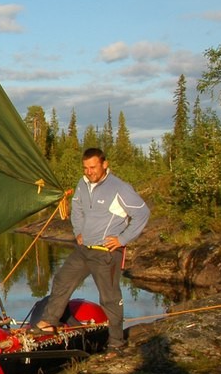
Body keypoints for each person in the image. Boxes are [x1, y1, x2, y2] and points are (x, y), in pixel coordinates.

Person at [36, 147, 149, 351]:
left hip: (106, 253)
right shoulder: (83, 183)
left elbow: (142, 213)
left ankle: (116, 344)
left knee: (110, 298)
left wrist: (122, 239)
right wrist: (78, 230)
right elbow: (77, 207)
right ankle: (49, 322)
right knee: (62, 279)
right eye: (86, 168)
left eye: (93, 167)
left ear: (105, 165)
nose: (89, 172)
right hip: (84, 249)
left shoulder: (119, 188)